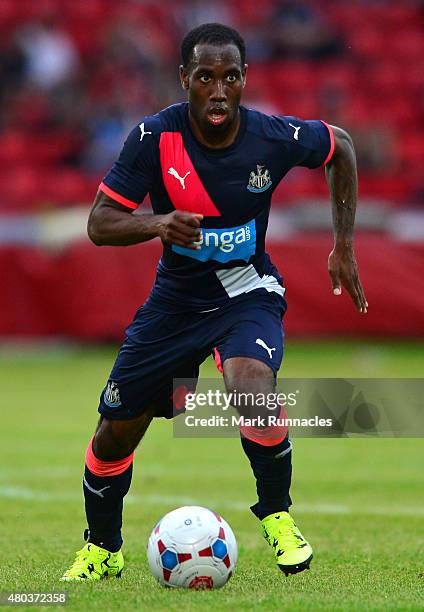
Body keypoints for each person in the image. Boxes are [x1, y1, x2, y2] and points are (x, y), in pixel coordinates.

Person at [61, 23, 367, 582]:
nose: (219, 89)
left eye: (230, 77)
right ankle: (102, 549)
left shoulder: (271, 136)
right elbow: (99, 224)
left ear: (245, 79)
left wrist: (342, 245)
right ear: (185, 80)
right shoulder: (154, 138)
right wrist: (158, 222)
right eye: (205, 77)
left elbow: (340, 146)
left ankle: (276, 516)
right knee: (114, 434)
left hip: (247, 292)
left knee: (253, 388)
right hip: (175, 303)